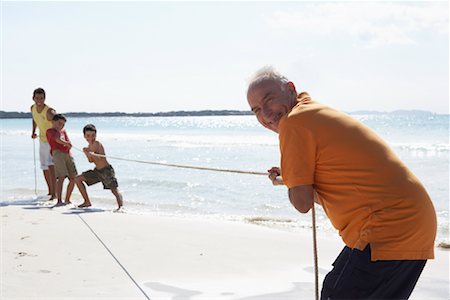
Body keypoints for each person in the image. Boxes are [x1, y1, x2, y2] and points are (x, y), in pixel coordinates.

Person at [246, 66, 437, 300]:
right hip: (415, 223)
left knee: (334, 294)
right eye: (256, 110)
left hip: (388, 226)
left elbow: (302, 203)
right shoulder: (310, 111)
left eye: (269, 99)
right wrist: (292, 178)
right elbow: (334, 189)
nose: (265, 114)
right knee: (335, 288)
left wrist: (293, 181)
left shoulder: (293, 122)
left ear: (291, 89)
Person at [75, 124, 123, 211]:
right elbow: (91, 161)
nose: (91, 137)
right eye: (88, 135)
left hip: (106, 170)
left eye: (93, 135)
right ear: (84, 136)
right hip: (97, 171)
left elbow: (101, 158)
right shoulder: (87, 148)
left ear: (96, 135)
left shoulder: (97, 144)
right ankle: (87, 202)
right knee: (77, 179)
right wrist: (88, 153)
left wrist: (92, 154)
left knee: (114, 189)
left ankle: (121, 207)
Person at [45, 114, 77, 207]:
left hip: (68, 154)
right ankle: (59, 200)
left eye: (63, 124)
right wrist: (66, 143)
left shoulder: (63, 131)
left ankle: (67, 199)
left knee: (73, 177)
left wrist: (68, 144)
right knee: (61, 176)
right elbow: (57, 139)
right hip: (58, 153)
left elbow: (67, 141)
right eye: (59, 123)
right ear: (53, 122)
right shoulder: (50, 131)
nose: (61, 126)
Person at [31, 87, 56, 199]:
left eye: (41, 98)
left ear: (44, 98)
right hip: (42, 140)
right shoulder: (33, 108)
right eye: (37, 98)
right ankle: (50, 191)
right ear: (33, 98)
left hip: (52, 142)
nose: (39, 100)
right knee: (44, 167)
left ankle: (55, 193)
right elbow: (34, 118)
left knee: (51, 167)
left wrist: (59, 138)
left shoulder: (49, 111)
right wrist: (33, 131)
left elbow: (58, 122)